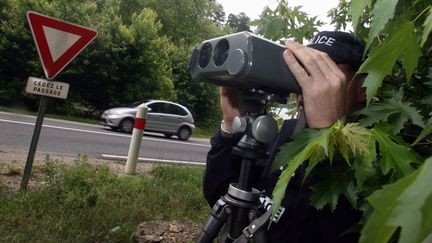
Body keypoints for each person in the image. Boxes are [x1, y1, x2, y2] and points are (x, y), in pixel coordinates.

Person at [203, 31, 366, 242]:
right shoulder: (288, 136)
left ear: (362, 88)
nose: (305, 82)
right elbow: (221, 196)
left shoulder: (371, 160)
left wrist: (326, 142)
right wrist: (231, 126)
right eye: (302, 69)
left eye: (324, 69)